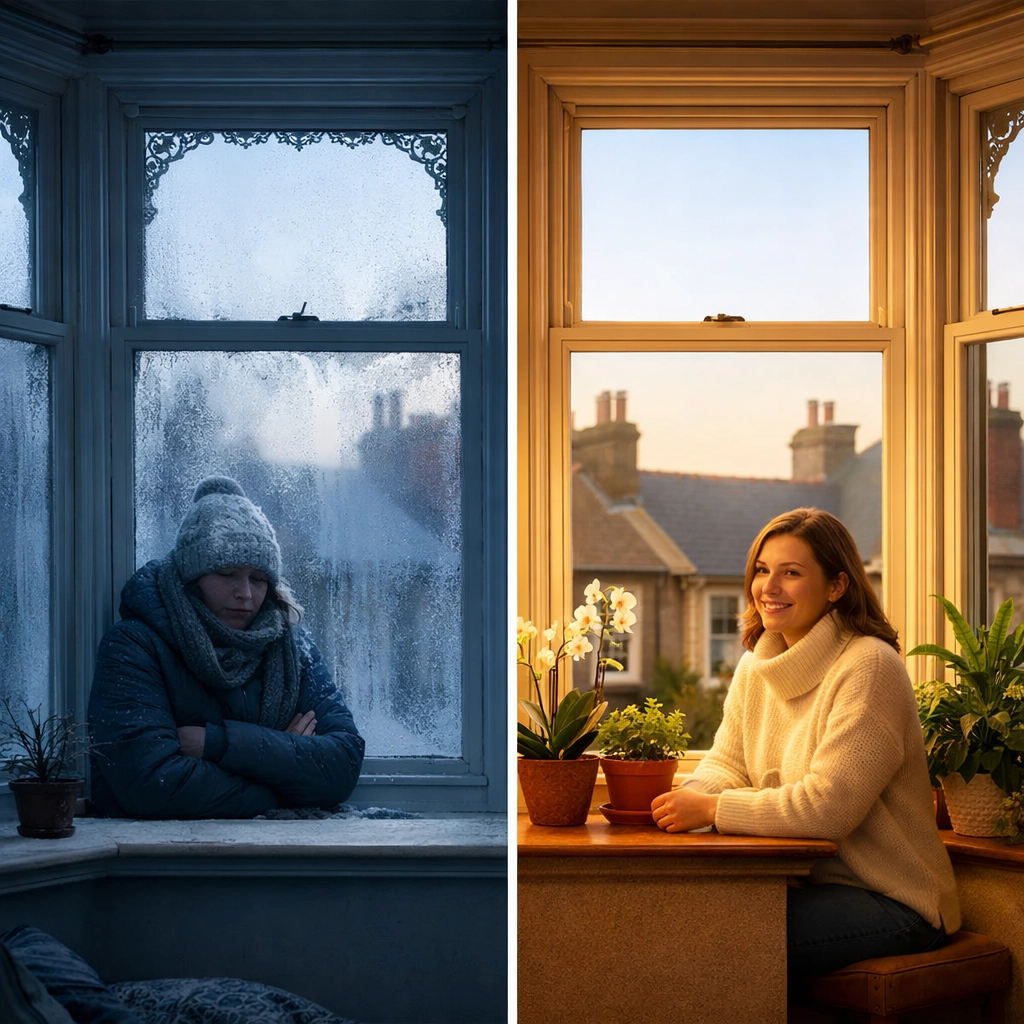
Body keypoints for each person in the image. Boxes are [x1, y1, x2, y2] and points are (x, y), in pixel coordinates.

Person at [651, 507, 960, 978]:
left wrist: (713, 811)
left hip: (893, 899)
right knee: (675, 917)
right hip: (800, 882)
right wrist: (689, 797)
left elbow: (827, 808)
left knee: (718, 940)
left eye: (790, 573)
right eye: (761, 570)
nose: (768, 588)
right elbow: (727, 764)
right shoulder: (757, 664)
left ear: (837, 586)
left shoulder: (869, 666)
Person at [88, 476, 364, 819]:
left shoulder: (293, 649)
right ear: (192, 576)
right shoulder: (134, 647)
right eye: (227, 573)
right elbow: (153, 784)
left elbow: (342, 764)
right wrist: (286, 775)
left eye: (259, 579)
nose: (246, 594)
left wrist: (214, 744)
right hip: (166, 863)